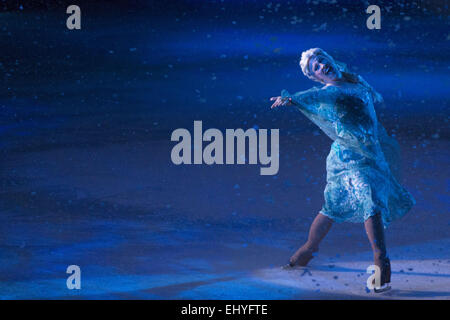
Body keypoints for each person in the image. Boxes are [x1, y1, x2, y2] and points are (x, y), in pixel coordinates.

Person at [270, 48, 415, 292]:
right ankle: (381, 260)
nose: (321, 66)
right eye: (316, 67)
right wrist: (292, 99)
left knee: (335, 208)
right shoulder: (330, 92)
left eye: (322, 60)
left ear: (330, 60)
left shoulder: (352, 80)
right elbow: (313, 97)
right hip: (348, 157)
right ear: (316, 76)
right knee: (367, 202)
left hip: (371, 152)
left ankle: (305, 252)